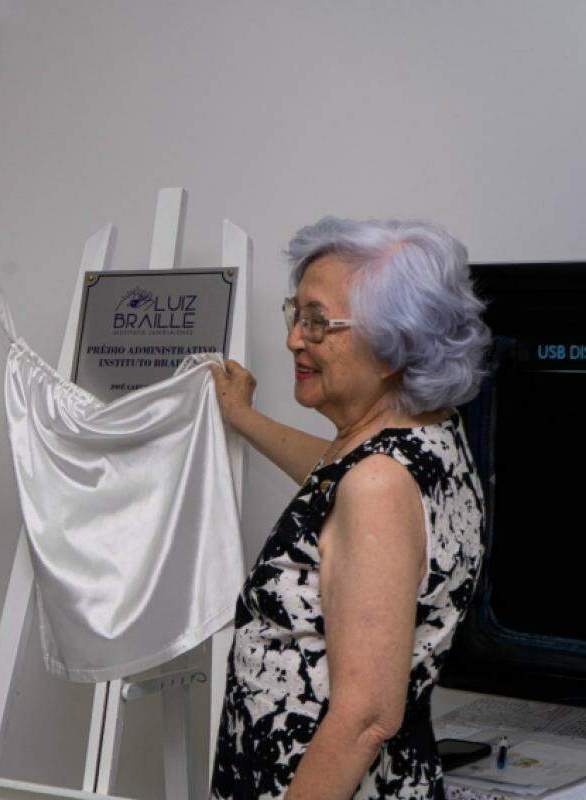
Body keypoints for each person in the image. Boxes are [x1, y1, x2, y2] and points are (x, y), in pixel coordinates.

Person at [208, 217, 490, 799]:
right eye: (296, 315)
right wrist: (243, 419)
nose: (294, 339)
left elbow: (365, 719)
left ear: (392, 346)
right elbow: (338, 474)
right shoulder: (424, 439)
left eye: (318, 322)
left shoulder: (377, 486)